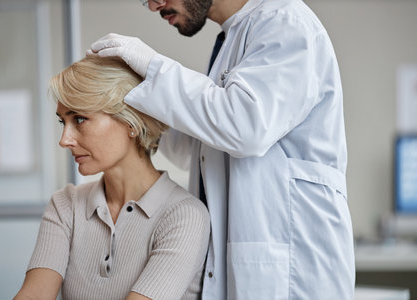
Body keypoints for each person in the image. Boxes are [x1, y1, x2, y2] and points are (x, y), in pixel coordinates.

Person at [87, 0, 356, 299]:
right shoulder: (231, 40)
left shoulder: (286, 22)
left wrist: (153, 70)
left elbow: (246, 126)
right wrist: (132, 98)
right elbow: (195, 144)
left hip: (295, 275)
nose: (154, 5)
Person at [14, 56, 210, 300]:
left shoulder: (184, 216)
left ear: (131, 122)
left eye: (79, 119)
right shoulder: (66, 205)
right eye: (62, 122)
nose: (64, 140)